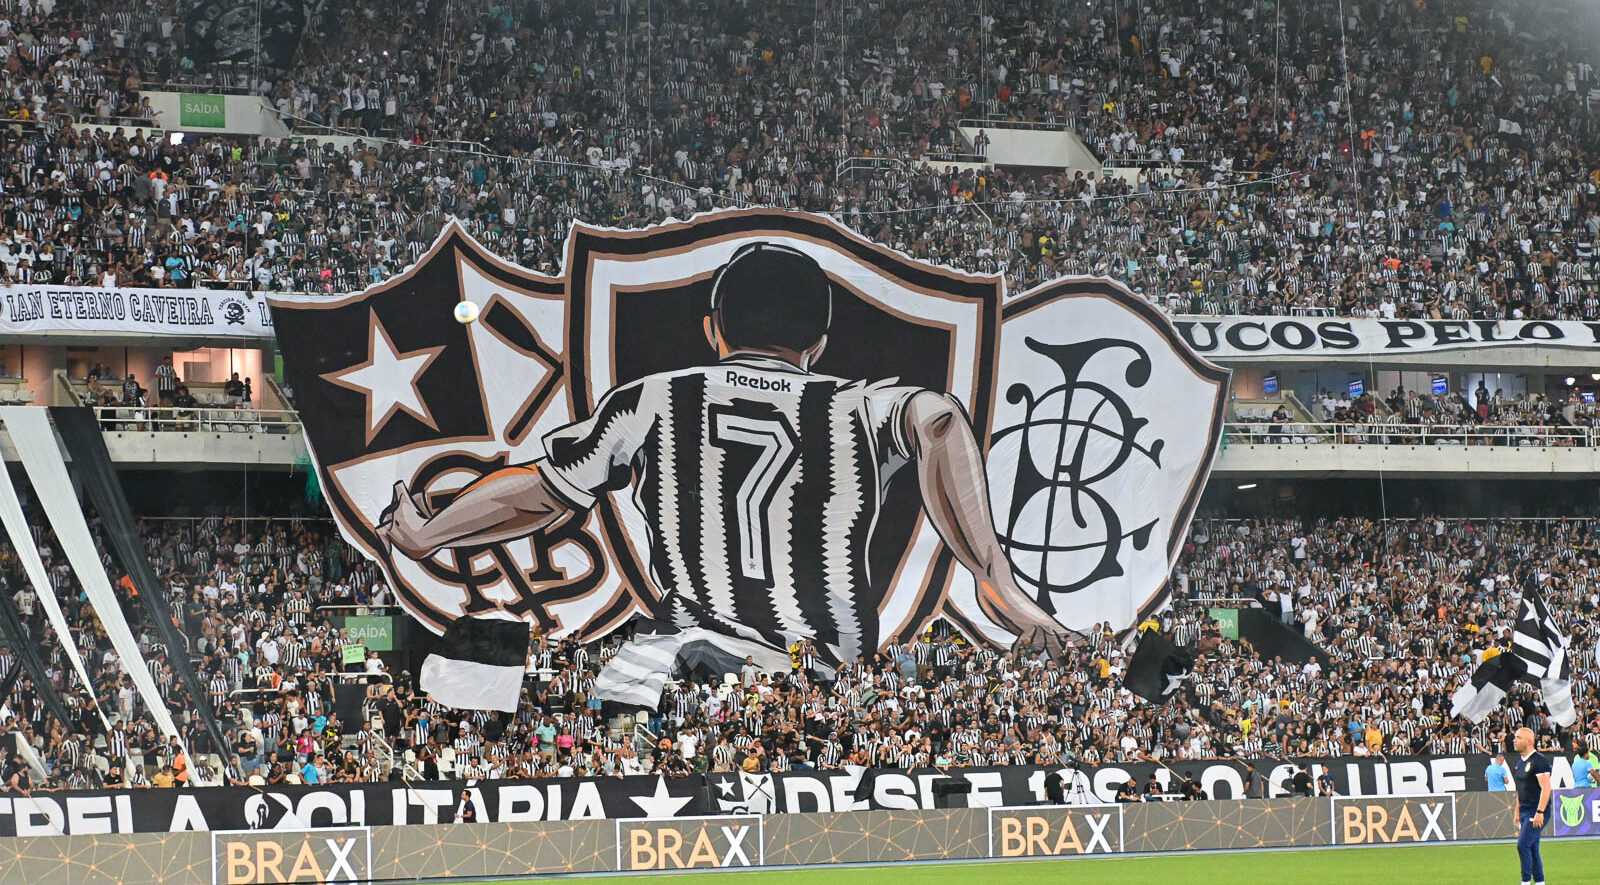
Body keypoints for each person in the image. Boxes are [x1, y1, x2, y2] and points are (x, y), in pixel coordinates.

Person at [380, 242, 1070, 674]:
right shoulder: (857, 406)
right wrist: (997, 580)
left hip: (676, 663)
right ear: (819, 344)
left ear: (713, 330)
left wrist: (431, 531)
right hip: (813, 676)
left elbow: (540, 490)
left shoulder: (650, 400)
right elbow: (941, 419)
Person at [1508, 727, 1552, 885]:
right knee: (1532, 847)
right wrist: (1517, 810)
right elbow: (1521, 790)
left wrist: (1540, 811)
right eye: (1515, 737)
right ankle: (1540, 882)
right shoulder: (1519, 763)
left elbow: (1546, 788)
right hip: (1525, 811)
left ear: (1529, 741)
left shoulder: (1540, 761)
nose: (1514, 740)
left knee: (1522, 845)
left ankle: (1525, 881)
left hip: (1537, 810)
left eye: (1518, 737)